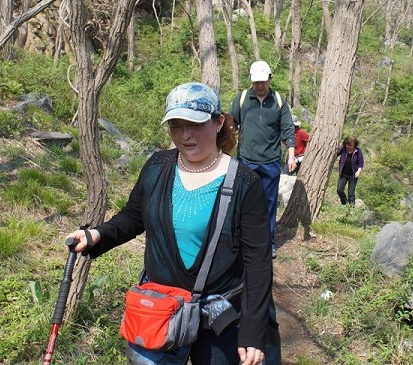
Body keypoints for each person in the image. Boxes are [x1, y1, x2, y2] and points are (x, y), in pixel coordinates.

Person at [65, 82, 275, 365]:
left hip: (221, 316)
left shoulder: (244, 183)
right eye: (176, 126)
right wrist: (98, 235)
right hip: (159, 309)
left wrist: (252, 331)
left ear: (218, 123)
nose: (185, 135)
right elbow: (133, 216)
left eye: (195, 124)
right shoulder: (157, 167)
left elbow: (258, 262)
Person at [229, 60, 296, 259]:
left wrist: (291, 156)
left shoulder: (278, 100)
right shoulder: (241, 99)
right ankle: (240, 240)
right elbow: (232, 125)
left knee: (268, 204)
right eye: (256, 82)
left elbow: (288, 130)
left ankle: (268, 242)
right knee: (241, 201)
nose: (259, 85)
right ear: (251, 80)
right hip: (246, 160)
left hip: (271, 161)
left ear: (270, 79)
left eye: (263, 82)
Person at [335, 136, 364, 206]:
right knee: (339, 190)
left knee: (351, 193)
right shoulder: (343, 149)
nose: (349, 147)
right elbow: (335, 154)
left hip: (353, 175)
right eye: (347, 145)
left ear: (355, 145)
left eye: (351, 145)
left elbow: (361, 162)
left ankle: (351, 208)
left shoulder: (358, 151)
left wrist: (358, 171)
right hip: (343, 174)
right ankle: (344, 203)